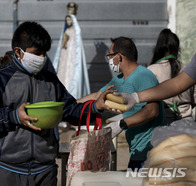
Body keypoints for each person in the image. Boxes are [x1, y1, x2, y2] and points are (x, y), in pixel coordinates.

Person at [0, 21, 112, 186]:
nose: (42, 58)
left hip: (44, 171)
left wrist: (95, 106)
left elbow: (69, 110)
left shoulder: (50, 80)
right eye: (37, 53)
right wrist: (13, 116)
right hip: (7, 171)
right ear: (18, 51)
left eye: (44, 53)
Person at [79, 37, 167, 170]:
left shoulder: (144, 76)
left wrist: (122, 124)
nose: (109, 60)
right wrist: (70, 104)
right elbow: (97, 96)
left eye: (110, 56)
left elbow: (152, 111)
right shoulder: (119, 81)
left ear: (119, 57)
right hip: (136, 150)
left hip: (152, 150)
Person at [117, 52, 196, 112]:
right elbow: (177, 84)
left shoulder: (151, 70)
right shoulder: (184, 67)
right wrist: (135, 97)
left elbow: (151, 111)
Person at [147, 28, 196, 123]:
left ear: (158, 48)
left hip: (163, 125)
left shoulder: (151, 70)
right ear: (177, 48)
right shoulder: (188, 70)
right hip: (188, 124)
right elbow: (194, 101)